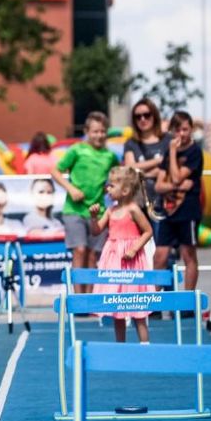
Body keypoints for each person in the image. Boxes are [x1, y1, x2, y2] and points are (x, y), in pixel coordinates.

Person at [51, 112, 118, 291]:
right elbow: (56, 171)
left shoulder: (109, 156)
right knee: (80, 250)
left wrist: (110, 189)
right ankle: (77, 297)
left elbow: (116, 178)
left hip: (98, 210)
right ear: (87, 131)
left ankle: (90, 298)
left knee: (93, 255)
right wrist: (71, 189)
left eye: (103, 131)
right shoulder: (76, 150)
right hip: (74, 209)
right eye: (95, 131)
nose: (99, 135)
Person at [88, 167, 154, 343]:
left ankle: (145, 346)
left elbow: (148, 231)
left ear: (125, 190)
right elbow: (96, 231)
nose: (107, 189)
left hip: (130, 260)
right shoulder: (110, 211)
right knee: (117, 306)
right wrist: (93, 217)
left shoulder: (133, 209)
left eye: (111, 186)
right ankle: (120, 346)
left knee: (136, 305)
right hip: (113, 260)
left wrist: (134, 249)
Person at [152, 111, 203, 290]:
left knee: (188, 254)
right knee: (160, 255)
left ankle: (188, 300)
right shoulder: (168, 152)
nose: (182, 134)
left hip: (187, 210)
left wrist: (173, 153)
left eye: (185, 129)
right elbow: (159, 185)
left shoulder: (194, 152)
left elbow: (174, 177)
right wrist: (177, 186)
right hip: (168, 209)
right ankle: (154, 299)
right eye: (178, 130)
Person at [122, 98, 166, 217]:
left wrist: (141, 172)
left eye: (147, 115)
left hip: (163, 203)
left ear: (154, 116)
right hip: (138, 204)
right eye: (138, 116)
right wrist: (158, 161)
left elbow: (168, 170)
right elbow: (130, 168)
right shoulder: (131, 143)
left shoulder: (167, 140)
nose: (142, 119)